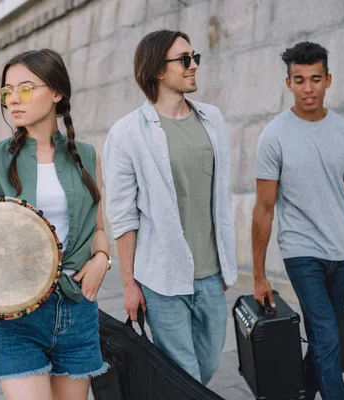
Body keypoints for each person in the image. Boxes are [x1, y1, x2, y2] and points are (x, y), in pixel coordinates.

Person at [0, 48, 110, 400]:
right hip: (15, 318)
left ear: (56, 92)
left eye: (25, 88)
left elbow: (97, 229)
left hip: (77, 308)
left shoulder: (88, 157)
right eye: (7, 92)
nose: (13, 99)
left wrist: (102, 260)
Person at [102, 30, 237, 385]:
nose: (193, 66)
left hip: (211, 273)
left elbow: (219, 197)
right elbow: (123, 215)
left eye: (195, 58)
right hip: (162, 279)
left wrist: (225, 260)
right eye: (184, 60)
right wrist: (130, 284)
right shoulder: (128, 132)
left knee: (206, 366)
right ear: (158, 71)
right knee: (184, 375)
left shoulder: (212, 120)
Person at [252, 41, 344, 400]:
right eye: (300, 79)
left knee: (325, 337)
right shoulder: (274, 136)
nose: (309, 88)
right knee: (326, 336)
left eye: (316, 79)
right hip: (301, 252)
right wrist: (259, 276)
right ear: (288, 83)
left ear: (329, 80)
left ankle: (301, 392)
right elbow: (264, 208)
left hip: (341, 252)